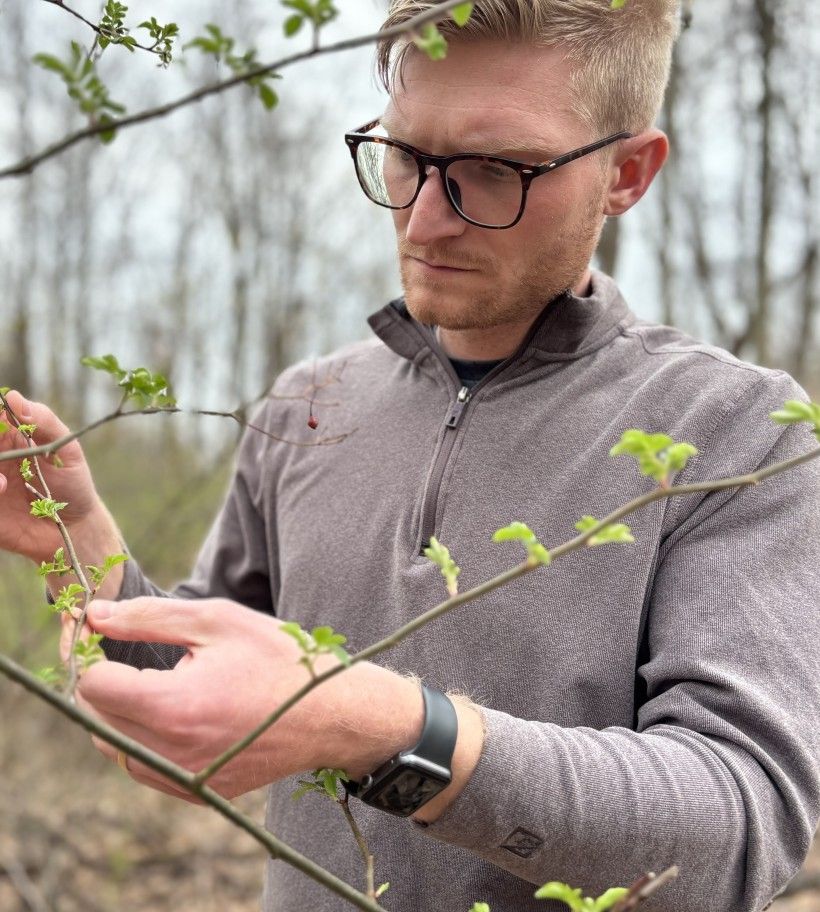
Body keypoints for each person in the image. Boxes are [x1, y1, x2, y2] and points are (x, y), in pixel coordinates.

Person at [1, 1, 819, 910]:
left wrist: (376, 727)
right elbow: (213, 699)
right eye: (406, 155)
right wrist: (81, 543)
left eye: (494, 169)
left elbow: (736, 830)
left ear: (628, 172)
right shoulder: (307, 407)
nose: (425, 222)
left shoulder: (739, 435)